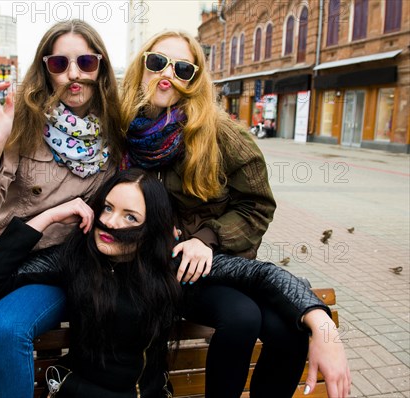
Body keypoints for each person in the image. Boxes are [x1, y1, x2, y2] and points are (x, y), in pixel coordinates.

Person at [0, 168, 349, 397]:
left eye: (131, 217)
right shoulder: (76, 257)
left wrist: (322, 326)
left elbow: (264, 275)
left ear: (154, 229)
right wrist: (48, 217)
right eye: (108, 209)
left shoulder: (174, 263)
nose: (112, 223)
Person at [119, 31, 350, 397]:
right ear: (142, 66)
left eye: (182, 68)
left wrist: (206, 240)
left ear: (194, 80)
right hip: (160, 270)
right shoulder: (121, 128)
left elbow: (257, 206)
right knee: (242, 318)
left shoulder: (221, 134)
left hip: (223, 262)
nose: (167, 74)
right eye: (157, 62)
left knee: (288, 331)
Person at [0, 20, 121, 397]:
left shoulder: (115, 137)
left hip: (49, 274)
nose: (73, 74)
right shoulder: (23, 123)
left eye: (85, 62)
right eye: (59, 64)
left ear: (101, 67)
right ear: (45, 69)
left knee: (7, 328)